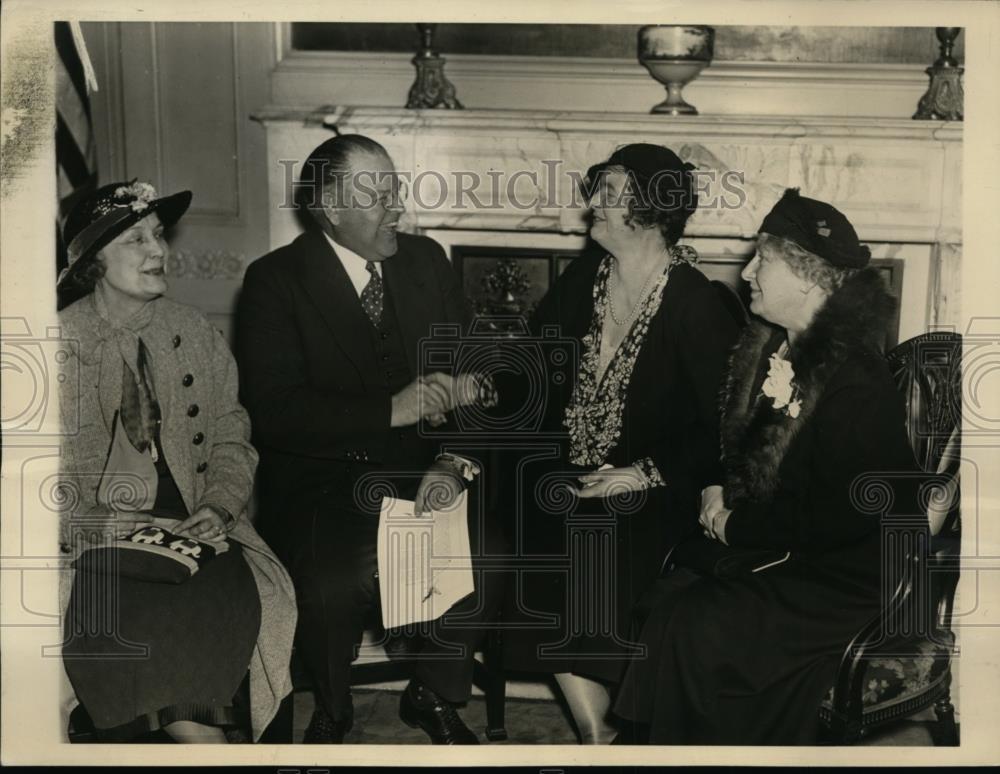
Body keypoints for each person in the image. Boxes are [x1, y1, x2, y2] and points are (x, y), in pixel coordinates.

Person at [612, 188, 922, 744]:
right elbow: (732, 450)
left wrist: (735, 525)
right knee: (668, 601)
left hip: (849, 577)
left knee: (700, 622)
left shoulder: (856, 378)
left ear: (807, 277)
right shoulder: (768, 350)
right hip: (794, 550)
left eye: (763, 260)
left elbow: (845, 516)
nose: (747, 271)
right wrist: (716, 487)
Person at [235, 134, 505, 745]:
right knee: (335, 577)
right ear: (330, 208)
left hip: (423, 470)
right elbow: (274, 412)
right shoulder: (276, 280)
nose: (397, 207)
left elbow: (476, 370)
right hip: (325, 481)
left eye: (396, 190)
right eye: (378, 195)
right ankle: (333, 706)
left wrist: (453, 460)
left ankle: (431, 693)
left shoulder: (426, 261)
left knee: (486, 552)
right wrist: (390, 410)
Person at [499, 144, 741, 743]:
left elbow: (722, 428)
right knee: (525, 511)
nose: (594, 205)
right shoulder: (582, 281)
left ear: (652, 211)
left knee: (597, 529)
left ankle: (606, 724)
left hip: (661, 483)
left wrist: (642, 472)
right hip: (576, 467)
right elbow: (530, 373)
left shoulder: (697, 303)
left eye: (609, 193)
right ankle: (597, 728)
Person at [56, 180, 297, 743]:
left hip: (198, 535)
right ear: (94, 261)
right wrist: (99, 524)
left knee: (218, 609)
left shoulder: (191, 330)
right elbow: (31, 480)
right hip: (100, 548)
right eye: (136, 240)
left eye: (159, 235)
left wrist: (219, 506)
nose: (158, 251)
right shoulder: (55, 343)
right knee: (131, 628)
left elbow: (232, 436)